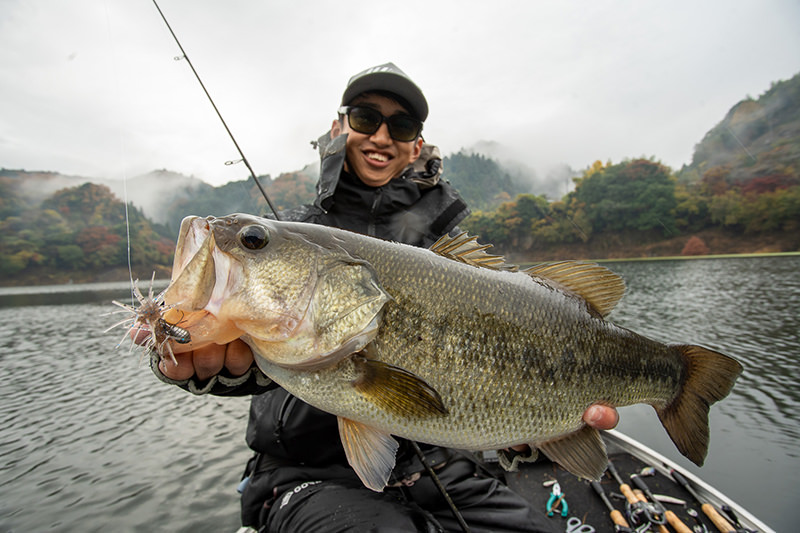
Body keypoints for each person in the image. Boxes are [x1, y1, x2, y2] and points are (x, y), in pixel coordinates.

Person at [152, 62, 619, 532]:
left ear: (417, 146)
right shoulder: (296, 231)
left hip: (444, 468)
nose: (381, 136)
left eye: (401, 125)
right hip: (307, 474)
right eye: (365, 118)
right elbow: (242, 346)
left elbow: (487, 385)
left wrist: (523, 434)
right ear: (338, 128)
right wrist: (189, 354)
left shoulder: (451, 255)